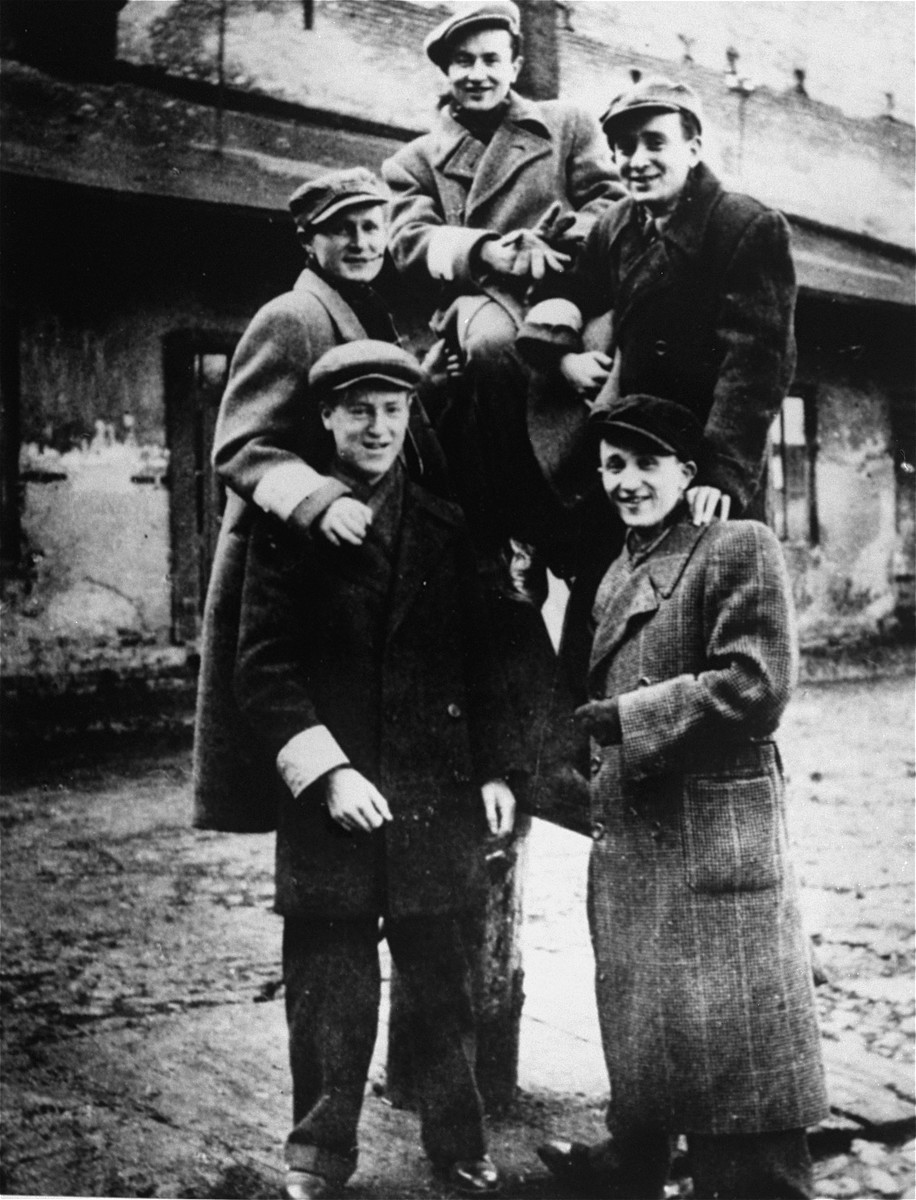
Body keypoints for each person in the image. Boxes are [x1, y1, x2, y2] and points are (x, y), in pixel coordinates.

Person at [234, 341, 518, 1200]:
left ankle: (458, 1142)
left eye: (393, 409)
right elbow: (262, 667)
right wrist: (328, 774)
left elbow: (492, 655)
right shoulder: (287, 529)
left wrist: (499, 770)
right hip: (335, 803)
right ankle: (318, 1155)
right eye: (359, 409)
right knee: (331, 992)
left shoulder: (445, 523)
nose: (378, 426)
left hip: (436, 794)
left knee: (445, 986)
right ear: (325, 418)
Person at [537, 396, 828, 1199]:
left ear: (687, 473)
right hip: (643, 839)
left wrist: (632, 719)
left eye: (646, 464)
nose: (628, 482)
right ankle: (636, 1161)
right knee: (654, 1032)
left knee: (743, 1071)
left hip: (715, 843)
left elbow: (758, 682)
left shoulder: (737, 544)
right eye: (613, 466)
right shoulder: (619, 566)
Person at [516, 75, 799, 696]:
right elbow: (568, 290)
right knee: (601, 615)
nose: (635, 161)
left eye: (653, 143)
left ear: (693, 146)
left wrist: (720, 472)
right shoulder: (616, 225)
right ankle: (584, 768)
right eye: (622, 148)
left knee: (700, 634)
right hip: (631, 466)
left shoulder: (745, 226)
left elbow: (756, 364)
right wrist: (560, 356)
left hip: (703, 469)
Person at [192, 167, 446, 834]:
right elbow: (240, 445)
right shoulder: (293, 316)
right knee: (286, 707)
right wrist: (318, 500)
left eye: (373, 226)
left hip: (355, 553)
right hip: (292, 550)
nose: (362, 241)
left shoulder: (368, 312)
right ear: (310, 241)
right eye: (343, 229)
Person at [382, 0, 622, 365]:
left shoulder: (568, 125)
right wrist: (486, 251)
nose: (477, 74)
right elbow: (408, 241)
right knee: (492, 346)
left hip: (568, 281)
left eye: (491, 60)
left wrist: (550, 241)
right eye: (463, 61)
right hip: (479, 296)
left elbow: (611, 203)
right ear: (447, 70)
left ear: (515, 67)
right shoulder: (414, 161)